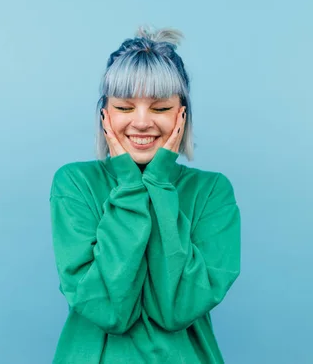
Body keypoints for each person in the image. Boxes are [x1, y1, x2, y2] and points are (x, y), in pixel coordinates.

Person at [49, 26, 241, 363]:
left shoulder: (213, 192)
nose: (141, 123)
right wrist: (129, 183)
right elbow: (110, 310)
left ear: (182, 114)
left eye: (160, 108)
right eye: (125, 108)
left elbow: (178, 308)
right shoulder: (74, 184)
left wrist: (160, 184)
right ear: (104, 114)